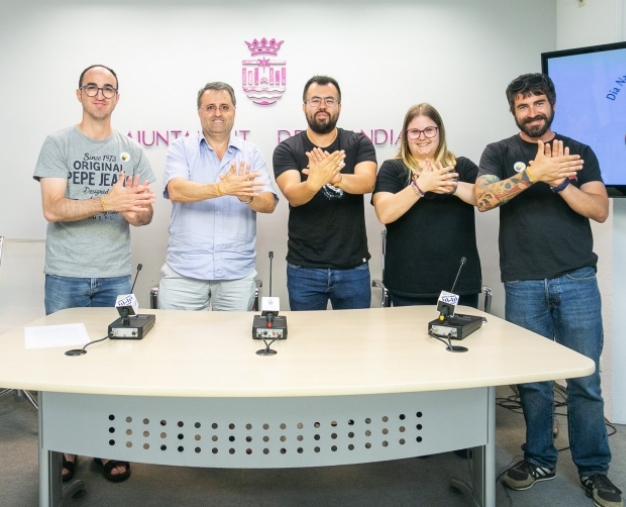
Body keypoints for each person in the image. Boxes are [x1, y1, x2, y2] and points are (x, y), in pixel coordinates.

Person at [475, 73, 622, 507]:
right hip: (522, 281)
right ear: (513, 112)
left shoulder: (580, 152)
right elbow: (483, 200)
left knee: (584, 380)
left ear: (551, 104)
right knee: (534, 383)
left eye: (538, 102)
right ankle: (538, 458)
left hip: (576, 278)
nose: (532, 111)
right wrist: (533, 174)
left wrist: (559, 183)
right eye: (522, 106)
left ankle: (594, 469)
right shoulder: (499, 152)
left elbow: (598, 209)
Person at [33, 64, 155, 484]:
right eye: (92, 88)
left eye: (108, 89)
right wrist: (108, 200)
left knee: (115, 367)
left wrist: (137, 212)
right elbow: (53, 207)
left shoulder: (132, 150)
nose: (100, 95)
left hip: (115, 277)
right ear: (79, 94)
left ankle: (109, 448)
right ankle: (67, 449)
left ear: (117, 97)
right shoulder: (58, 143)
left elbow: (144, 213)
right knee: (62, 368)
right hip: (65, 276)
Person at [159, 82, 277, 311]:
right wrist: (223, 189)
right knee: (176, 345)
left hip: (237, 274)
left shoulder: (250, 152)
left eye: (224, 107)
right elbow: (176, 190)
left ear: (233, 111)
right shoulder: (180, 148)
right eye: (210, 107)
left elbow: (269, 203)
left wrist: (246, 197)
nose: (217, 113)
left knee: (235, 345)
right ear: (199, 112)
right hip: (184, 273)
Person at [272, 75, 377, 310]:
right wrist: (314, 182)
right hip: (304, 269)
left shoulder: (358, 143)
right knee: (306, 344)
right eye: (315, 100)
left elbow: (367, 182)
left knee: (354, 342)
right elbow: (293, 195)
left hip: (353, 267)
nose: (322, 106)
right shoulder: (287, 149)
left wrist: (335, 177)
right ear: (304, 107)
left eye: (329, 100)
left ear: (339, 106)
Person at [372, 103, 481, 308]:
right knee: (409, 340)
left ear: (439, 131)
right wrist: (421, 186)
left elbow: (485, 198)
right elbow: (384, 213)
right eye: (414, 132)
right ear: (405, 136)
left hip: (457, 286)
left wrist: (451, 186)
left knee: (455, 337)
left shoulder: (462, 166)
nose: (422, 137)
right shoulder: (392, 169)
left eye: (429, 130)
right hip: (408, 288)